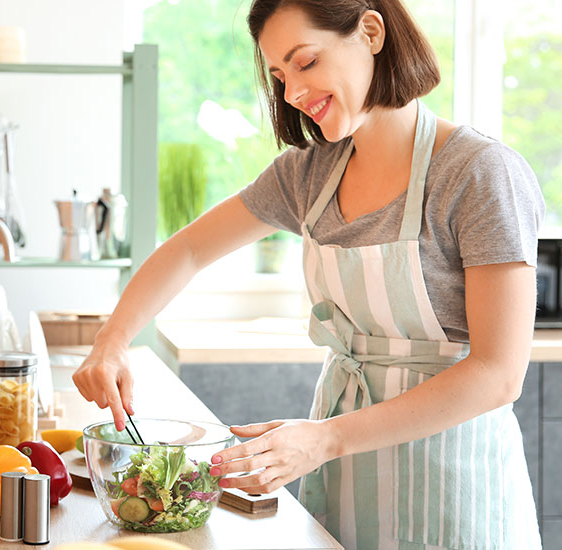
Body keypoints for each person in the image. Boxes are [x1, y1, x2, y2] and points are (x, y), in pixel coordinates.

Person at [73, 0, 544, 547]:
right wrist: (112, 339)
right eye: (279, 75)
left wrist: (327, 439)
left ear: (370, 32)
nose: (293, 92)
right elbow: (189, 250)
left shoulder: (479, 172)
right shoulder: (309, 175)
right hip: (342, 477)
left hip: (454, 486)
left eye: (306, 62)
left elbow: (498, 373)